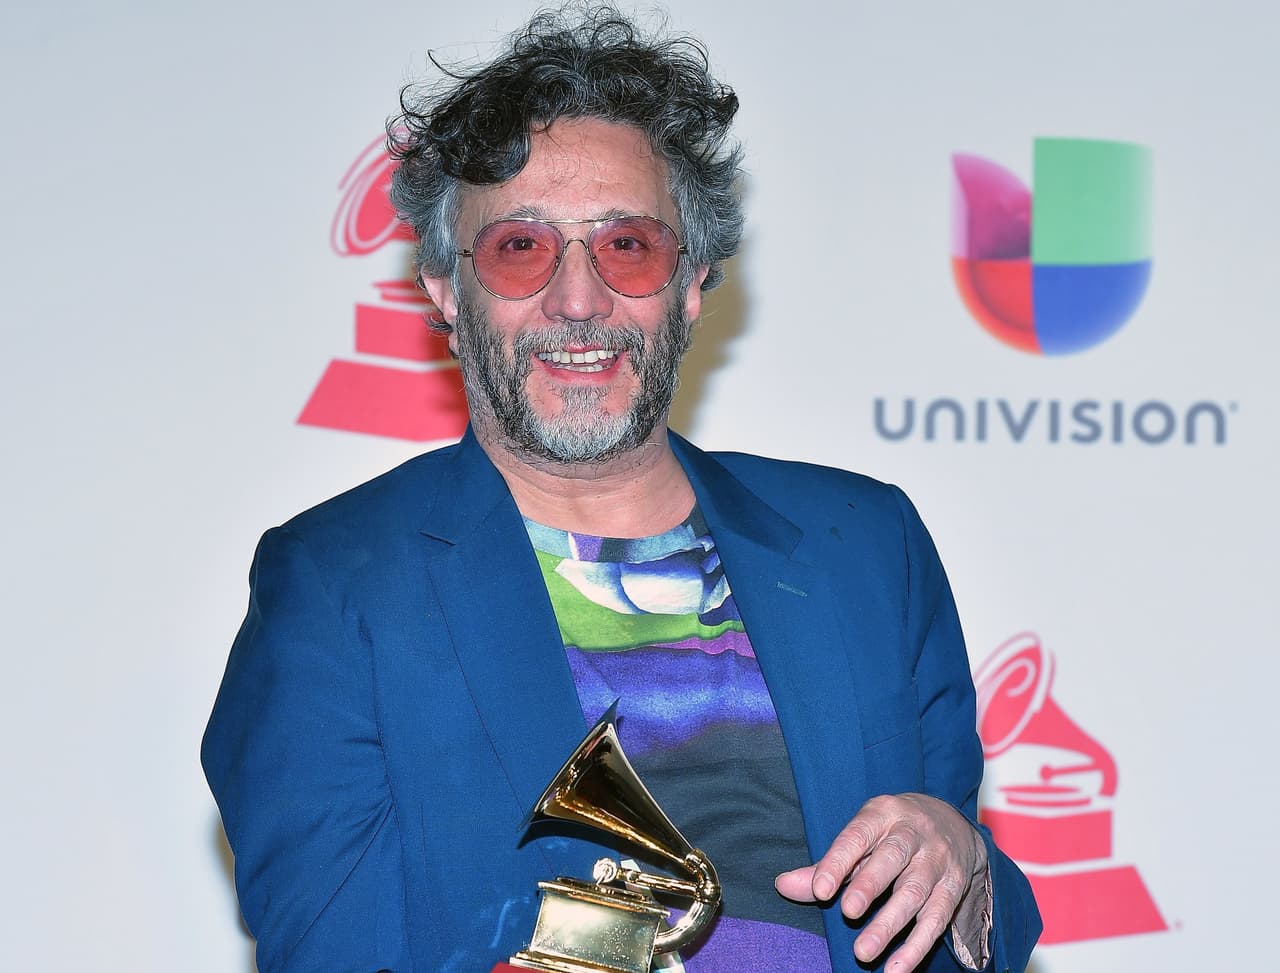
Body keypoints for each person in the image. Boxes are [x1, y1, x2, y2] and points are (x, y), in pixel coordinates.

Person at [202, 8, 1041, 973]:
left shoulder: (864, 543)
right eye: (521, 246)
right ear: (444, 290)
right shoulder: (338, 581)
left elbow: (976, 922)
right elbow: (331, 950)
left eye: (627, 246)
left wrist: (962, 865)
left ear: (688, 281)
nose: (578, 298)